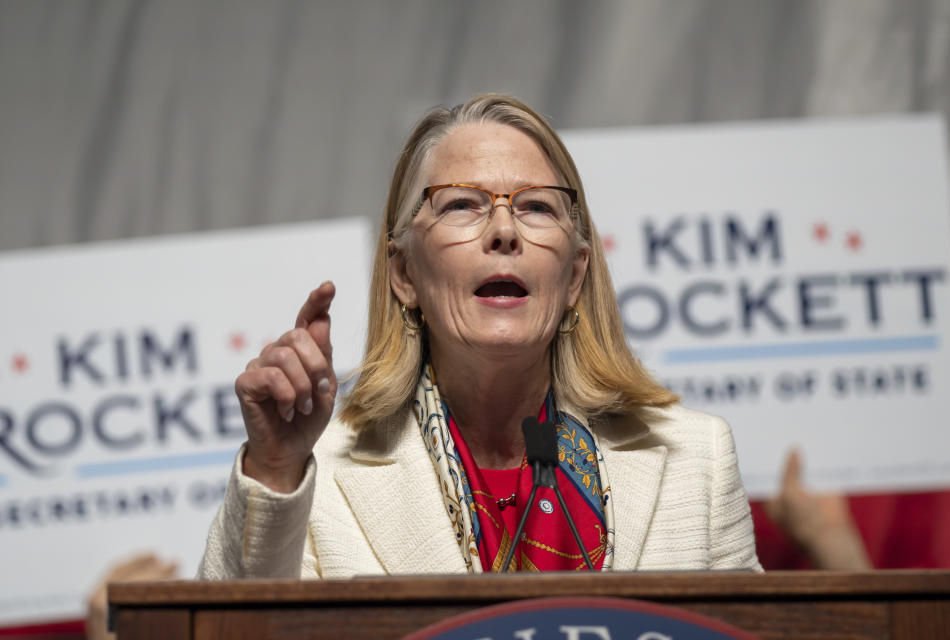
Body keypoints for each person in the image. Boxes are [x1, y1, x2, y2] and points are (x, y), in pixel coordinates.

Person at [199, 94, 761, 577]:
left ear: (574, 276)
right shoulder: (314, 475)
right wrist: (274, 468)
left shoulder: (696, 460)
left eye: (536, 207)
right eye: (462, 205)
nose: (503, 231)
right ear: (404, 274)